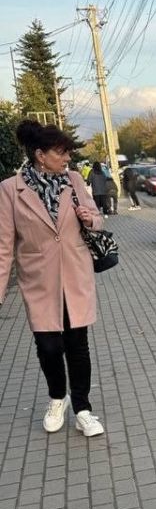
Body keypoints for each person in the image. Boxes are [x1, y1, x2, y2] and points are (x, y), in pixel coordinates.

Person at [0, 121, 106, 436]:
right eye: (61, 153)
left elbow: (97, 219)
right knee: (48, 346)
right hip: (38, 279)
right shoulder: (10, 189)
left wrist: (91, 219)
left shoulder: (74, 181)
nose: (67, 159)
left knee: (78, 345)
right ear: (40, 155)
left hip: (75, 274)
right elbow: (4, 245)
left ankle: (83, 408)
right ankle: (57, 397)